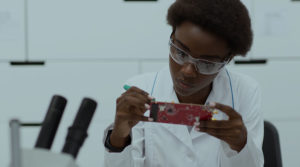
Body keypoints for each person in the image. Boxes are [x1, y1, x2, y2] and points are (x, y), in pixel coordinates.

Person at [103, 0, 264, 166]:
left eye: (206, 64)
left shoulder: (245, 91)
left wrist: (240, 143)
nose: (187, 71)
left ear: (227, 60)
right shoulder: (140, 89)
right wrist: (118, 137)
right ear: (172, 37)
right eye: (180, 52)